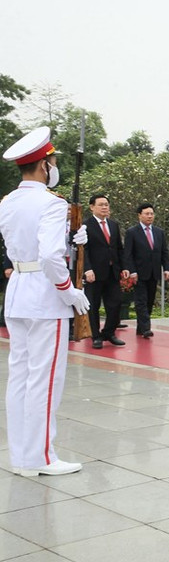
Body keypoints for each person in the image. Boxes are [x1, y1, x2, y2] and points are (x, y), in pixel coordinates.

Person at [0, 126, 90, 476]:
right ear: (42, 166)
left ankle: (22, 456)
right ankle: (42, 457)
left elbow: (26, 243)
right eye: (52, 162)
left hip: (19, 291)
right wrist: (70, 290)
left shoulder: (8, 202)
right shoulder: (53, 204)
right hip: (45, 294)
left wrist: (70, 236)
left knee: (19, 378)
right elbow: (51, 257)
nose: (54, 168)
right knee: (46, 379)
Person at [83, 194, 127, 349]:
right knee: (93, 306)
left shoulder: (113, 225)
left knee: (115, 303)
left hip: (112, 271)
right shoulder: (86, 225)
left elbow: (118, 249)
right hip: (94, 273)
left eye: (106, 204)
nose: (104, 207)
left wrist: (124, 267)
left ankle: (109, 332)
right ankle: (96, 336)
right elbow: (84, 250)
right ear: (92, 207)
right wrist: (87, 269)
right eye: (101, 204)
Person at [123, 203, 169, 338]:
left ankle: (141, 327)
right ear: (140, 215)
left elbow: (164, 252)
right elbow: (128, 254)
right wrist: (131, 271)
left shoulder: (159, 232)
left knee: (150, 301)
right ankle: (146, 328)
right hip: (138, 273)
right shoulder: (132, 232)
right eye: (147, 214)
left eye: (151, 214)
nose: (150, 216)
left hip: (154, 272)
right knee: (141, 301)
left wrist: (167, 268)